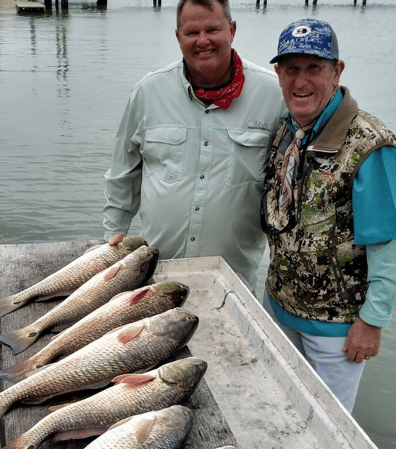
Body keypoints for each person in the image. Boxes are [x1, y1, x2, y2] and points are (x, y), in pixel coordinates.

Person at [261, 19, 396, 412]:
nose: (301, 81)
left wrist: (373, 321)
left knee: (328, 423)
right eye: (291, 68)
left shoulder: (370, 146)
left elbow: (391, 242)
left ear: (337, 71)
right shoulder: (287, 130)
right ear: (278, 74)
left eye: (314, 67)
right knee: (279, 406)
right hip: (278, 305)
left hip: (337, 328)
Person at [102, 0, 286, 290]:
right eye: (192, 32)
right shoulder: (148, 92)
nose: (203, 41)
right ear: (178, 37)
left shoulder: (273, 96)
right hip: (153, 275)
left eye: (213, 29)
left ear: (232, 30)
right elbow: (122, 176)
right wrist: (111, 244)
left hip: (232, 281)